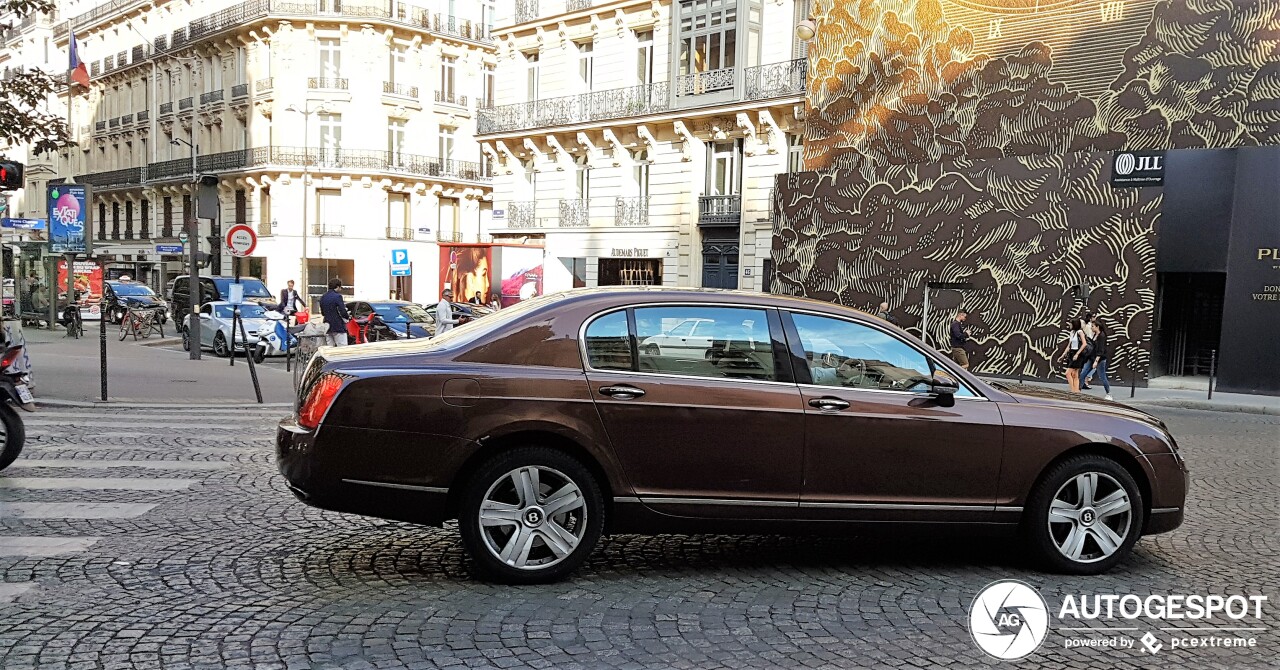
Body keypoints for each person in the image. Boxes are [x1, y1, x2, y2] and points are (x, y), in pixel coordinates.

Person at [1056, 318, 1092, 393]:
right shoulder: (1072, 332)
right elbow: (1069, 345)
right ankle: (1076, 391)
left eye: (1071, 323)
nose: (1069, 325)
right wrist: (1063, 355)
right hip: (1072, 353)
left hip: (1078, 353)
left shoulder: (1080, 332)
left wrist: (1077, 354)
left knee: (1068, 373)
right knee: (1075, 374)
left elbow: (1084, 343)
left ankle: (1072, 390)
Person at [1081, 320, 1114, 400]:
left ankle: (1108, 393)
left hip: (1100, 359)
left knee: (1102, 376)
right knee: (1083, 374)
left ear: (1097, 327)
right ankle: (1078, 391)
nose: (1091, 327)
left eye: (1093, 326)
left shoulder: (1101, 336)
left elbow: (1101, 350)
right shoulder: (1095, 334)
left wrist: (1096, 361)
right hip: (1091, 358)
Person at [319, 277, 350, 346]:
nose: (341, 289)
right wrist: (347, 317)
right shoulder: (338, 296)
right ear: (338, 287)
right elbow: (342, 311)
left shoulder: (323, 297)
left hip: (327, 326)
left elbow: (323, 313)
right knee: (342, 347)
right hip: (338, 326)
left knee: (330, 348)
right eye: (340, 287)